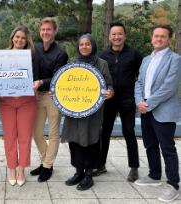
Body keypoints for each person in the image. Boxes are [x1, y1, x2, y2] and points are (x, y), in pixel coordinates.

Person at [134, 25, 181, 202]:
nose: (159, 39)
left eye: (163, 36)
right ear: (152, 38)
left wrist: (148, 103)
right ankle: (154, 175)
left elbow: (169, 87)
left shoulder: (175, 59)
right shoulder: (146, 59)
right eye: (156, 36)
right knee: (150, 144)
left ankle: (173, 184)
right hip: (145, 109)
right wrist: (139, 101)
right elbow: (139, 82)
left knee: (167, 148)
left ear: (169, 39)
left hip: (162, 110)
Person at [61, 34, 113, 191]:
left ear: (93, 46)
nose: (84, 47)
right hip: (74, 111)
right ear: (78, 47)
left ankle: (89, 174)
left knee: (91, 141)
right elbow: (63, 84)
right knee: (75, 141)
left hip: (93, 112)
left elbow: (109, 84)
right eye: (81, 44)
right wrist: (57, 92)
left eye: (87, 44)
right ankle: (78, 172)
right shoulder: (73, 64)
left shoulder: (101, 63)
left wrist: (110, 91)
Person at [94, 22, 142, 182]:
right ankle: (100, 164)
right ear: (109, 36)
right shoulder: (103, 56)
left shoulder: (134, 54)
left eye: (119, 34)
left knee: (129, 132)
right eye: (113, 34)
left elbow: (141, 77)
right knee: (105, 132)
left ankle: (134, 167)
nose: (117, 37)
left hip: (128, 100)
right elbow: (99, 79)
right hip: (109, 100)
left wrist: (140, 97)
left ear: (125, 35)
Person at [31, 17, 68, 182]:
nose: (45, 32)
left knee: (53, 134)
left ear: (54, 31)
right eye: (43, 29)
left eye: (49, 29)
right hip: (36, 96)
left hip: (53, 96)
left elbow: (57, 77)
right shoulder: (35, 49)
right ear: (40, 32)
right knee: (36, 133)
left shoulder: (61, 53)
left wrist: (40, 82)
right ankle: (48, 161)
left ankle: (46, 166)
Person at [0, 25, 38, 187]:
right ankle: (12, 169)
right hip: (6, 101)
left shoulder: (33, 56)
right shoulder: (3, 55)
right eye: (17, 37)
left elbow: (38, 76)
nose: (20, 40)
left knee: (24, 137)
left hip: (27, 101)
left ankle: (22, 169)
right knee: (9, 137)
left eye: (23, 38)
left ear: (27, 40)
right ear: (12, 38)